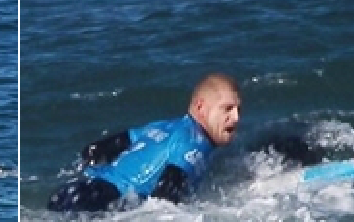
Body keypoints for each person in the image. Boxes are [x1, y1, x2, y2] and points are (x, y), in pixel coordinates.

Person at [47, 73, 242, 212]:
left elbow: (95, 150)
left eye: (238, 110)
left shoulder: (161, 126)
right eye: (227, 109)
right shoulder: (195, 143)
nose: (236, 118)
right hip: (103, 201)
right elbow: (164, 199)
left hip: (77, 189)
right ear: (201, 108)